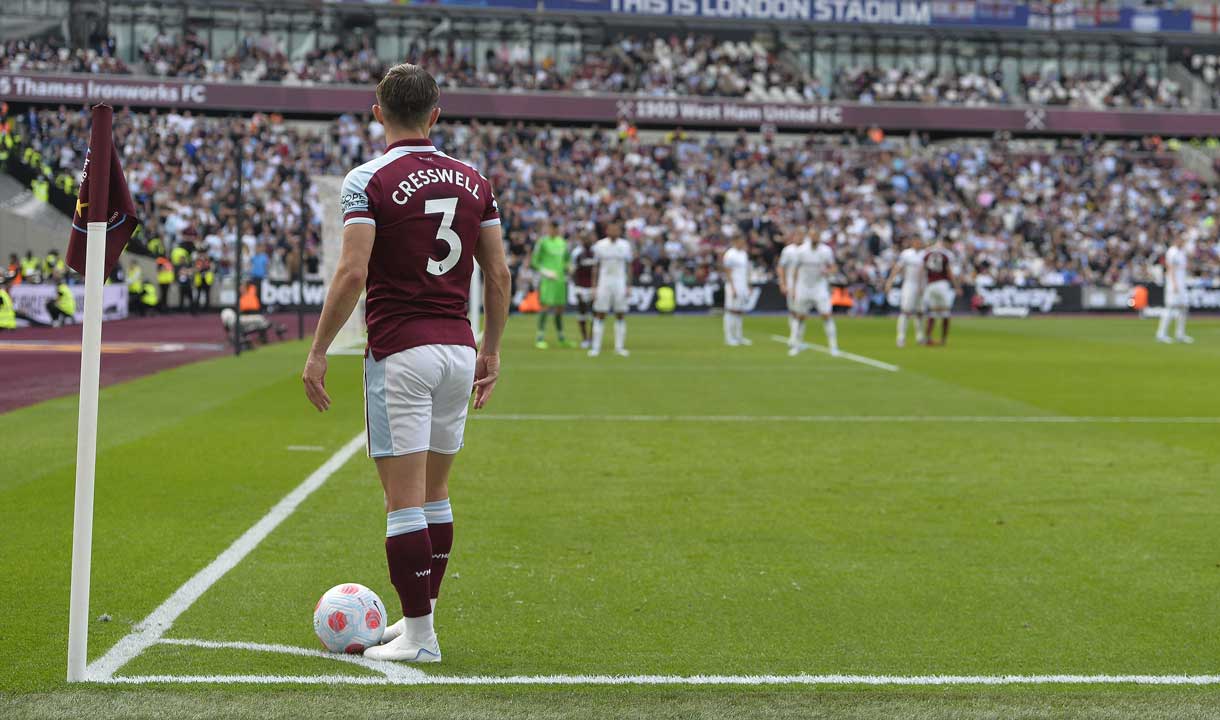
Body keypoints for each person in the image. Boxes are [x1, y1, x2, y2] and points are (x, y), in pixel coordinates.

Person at [301, 63, 510, 664]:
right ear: (435, 115)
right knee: (437, 494)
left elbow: (351, 271)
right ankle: (420, 621)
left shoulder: (366, 178)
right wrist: (491, 348)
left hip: (401, 353)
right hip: (458, 347)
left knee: (403, 502)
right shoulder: (476, 180)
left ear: (377, 113)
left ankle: (420, 636)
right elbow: (497, 273)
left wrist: (318, 350)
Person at [588, 219, 633, 358]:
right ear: (607, 231)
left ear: (619, 231)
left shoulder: (625, 245)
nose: (614, 232)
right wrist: (594, 286)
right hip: (604, 282)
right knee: (600, 314)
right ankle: (596, 347)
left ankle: (619, 348)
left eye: (616, 229)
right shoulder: (599, 246)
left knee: (620, 314)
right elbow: (595, 267)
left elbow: (629, 266)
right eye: (611, 229)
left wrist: (629, 285)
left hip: (620, 282)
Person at [789, 234, 839, 357]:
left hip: (819, 287)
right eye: (812, 236)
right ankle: (796, 345)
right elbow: (795, 270)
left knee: (826, 315)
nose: (814, 238)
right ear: (809, 237)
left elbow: (833, 267)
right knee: (800, 316)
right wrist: (794, 289)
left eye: (816, 236)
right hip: (803, 287)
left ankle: (833, 347)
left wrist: (827, 271)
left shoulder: (826, 251)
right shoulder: (801, 251)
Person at [530, 220, 570, 349]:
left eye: (556, 229)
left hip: (560, 280)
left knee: (560, 309)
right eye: (552, 228)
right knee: (545, 307)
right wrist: (545, 272)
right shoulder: (542, 243)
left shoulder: (563, 243)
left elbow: (567, 260)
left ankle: (561, 337)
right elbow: (534, 262)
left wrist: (569, 267)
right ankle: (540, 337)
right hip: (547, 281)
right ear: (548, 229)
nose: (554, 231)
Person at [884, 237, 927, 347]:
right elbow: (897, 268)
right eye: (916, 241)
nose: (918, 243)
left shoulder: (925, 254)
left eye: (920, 241)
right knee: (905, 311)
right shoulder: (906, 254)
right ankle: (901, 337)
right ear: (913, 242)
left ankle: (920, 336)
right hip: (909, 284)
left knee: (920, 312)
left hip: (922, 285)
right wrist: (889, 281)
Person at [922, 238, 961, 346]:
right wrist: (957, 286)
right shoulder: (945, 255)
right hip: (942, 284)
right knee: (945, 312)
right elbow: (949, 272)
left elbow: (923, 269)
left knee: (933, 312)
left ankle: (928, 338)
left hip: (930, 285)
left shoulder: (927, 253)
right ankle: (943, 339)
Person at [1156, 237, 1193, 344]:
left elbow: (1185, 267)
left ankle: (1180, 334)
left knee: (1184, 307)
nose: (1182, 241)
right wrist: (1174, 284)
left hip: (1182, 283)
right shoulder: (1172, 252)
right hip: (1173, 284)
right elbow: (1170, 268)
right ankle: (1161, 334)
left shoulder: (1182, 252)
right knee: (1170, 307)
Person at [721, 236, 751, 346]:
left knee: (739, 311)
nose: (742, 244)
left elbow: (746, 271)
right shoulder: (730, 254)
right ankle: (729, 337)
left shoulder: (744, 254)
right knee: (730, 310)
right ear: (735, 242)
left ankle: (739, 337)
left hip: (742, 286)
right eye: (740, 242)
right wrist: (732, 287)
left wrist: (748, 286)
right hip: (733, 285)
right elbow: (728, 272)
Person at [775, 232, 802, 353]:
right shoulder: (788, 251)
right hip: (792, 285)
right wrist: (782, 283)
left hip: (805, 286)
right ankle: (795, 338)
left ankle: (795, 339)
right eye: (797, 235)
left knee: (800, 313)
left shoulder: (806, 250)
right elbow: (781, 267)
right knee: (793, 312)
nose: (798, 237)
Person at [569, 235, 596, 349]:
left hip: (593, 287)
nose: (587, 241)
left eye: (588, 238)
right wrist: (576, 287)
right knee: (582, 312)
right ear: (581, 240)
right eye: (585, 239)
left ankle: (592, 338)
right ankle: (584, 339)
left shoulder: (596, 252)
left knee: (595, 313)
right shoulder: (576, 253)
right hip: (580, 286)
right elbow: (572, 271)